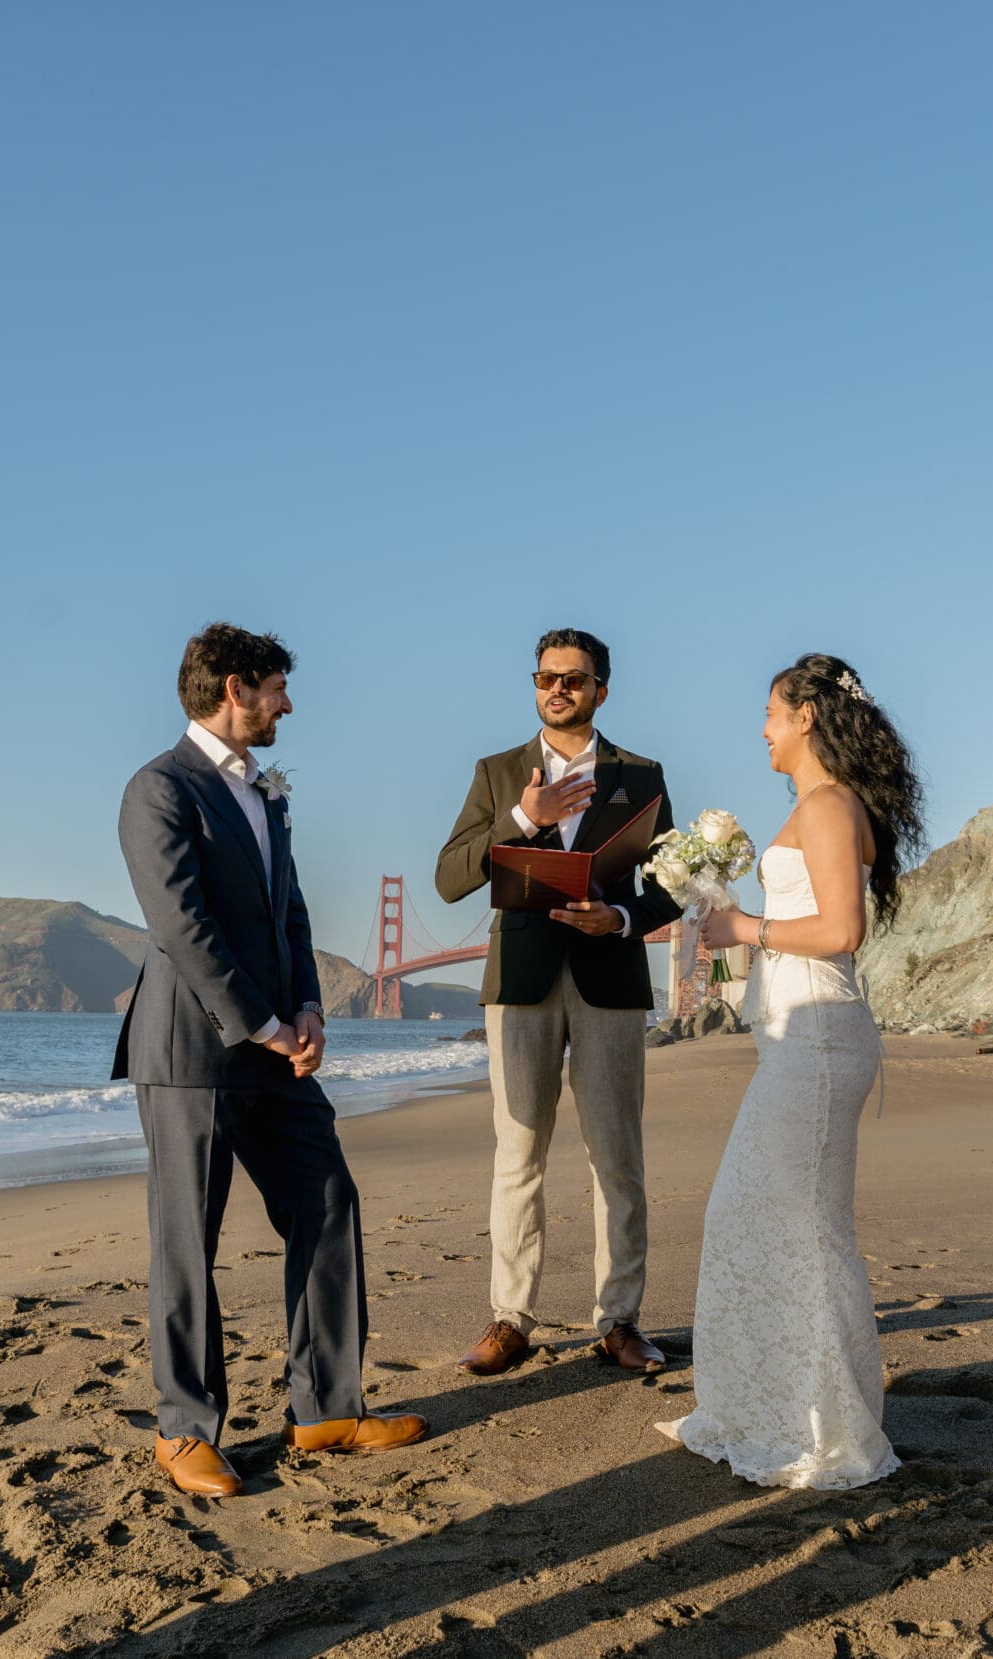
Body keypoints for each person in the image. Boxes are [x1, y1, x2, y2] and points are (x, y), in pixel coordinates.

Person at [116, 623, 427, 1499]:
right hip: (190, 1052)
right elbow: (183, 926)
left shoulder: (270, 796)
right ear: (233, 687)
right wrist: (259, 1021)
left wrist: (308, 1007)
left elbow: (290, 911)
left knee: (327, 1199)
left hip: (276, 1048)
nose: (288, 704)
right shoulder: (157, 789)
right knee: (189, 1238)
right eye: (278, 688)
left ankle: (326, 1405)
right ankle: (184, 1429)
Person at [657, 654, 922, 1489]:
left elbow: (841, 928)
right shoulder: (815, 808)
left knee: (803, 1228)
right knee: (756, 1218)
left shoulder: (832, 805)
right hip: (796, 1040)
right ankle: (773, 1406)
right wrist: (712, 933)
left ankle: (832, 1426)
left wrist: (745, 926)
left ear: (807, 716)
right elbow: (773, 938)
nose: (763, 728)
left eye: (771, 712)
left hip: (819, 1043)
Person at [433, 629, 681, 1377]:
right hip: (520, 982)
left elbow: (676, 882)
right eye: (547, 677)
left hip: (610, 978)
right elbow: (449, 878)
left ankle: (619, 1320)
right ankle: (510, 1318)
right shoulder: (498, 771)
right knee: (518, 1157)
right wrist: (522, 817)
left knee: (619, 1160)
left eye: (574, 679)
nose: (558, 690)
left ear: (602, 688)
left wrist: (626, 917)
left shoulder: (642, 775)